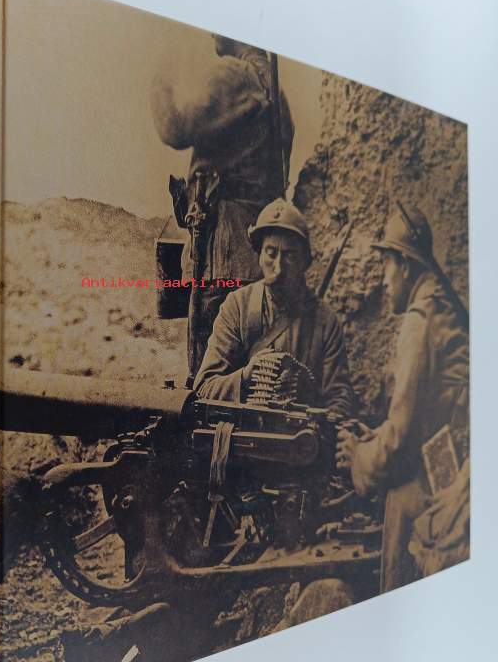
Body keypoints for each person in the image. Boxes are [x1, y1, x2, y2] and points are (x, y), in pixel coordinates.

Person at [336, 204, 469, 592]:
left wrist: (357, 457)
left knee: (399, 496)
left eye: (386, 265)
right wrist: (376, 436)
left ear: (406, 266)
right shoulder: (442, 307)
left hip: (449, 481)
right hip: (457, 464)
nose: (383, 281)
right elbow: (425, 419)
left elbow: (399, 446)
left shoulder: (419, 319)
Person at [152, 35, 294, 378]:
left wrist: (160, 78)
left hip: (223, 261)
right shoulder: (273, 88)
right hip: (251, 257)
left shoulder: (238, 74)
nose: (211, 32)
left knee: (209, 382)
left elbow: (176, 126)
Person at [193, 198, 355, 418]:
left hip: (298, 437)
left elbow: (340, 400)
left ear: (304, 262)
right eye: (271, 253)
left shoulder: (325, 321)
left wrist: (313, 404)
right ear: (259, 256)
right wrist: (246, 377)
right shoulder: (237, 307)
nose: (278, 267)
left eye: (290, 256)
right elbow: (204, 387)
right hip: (242, 435)